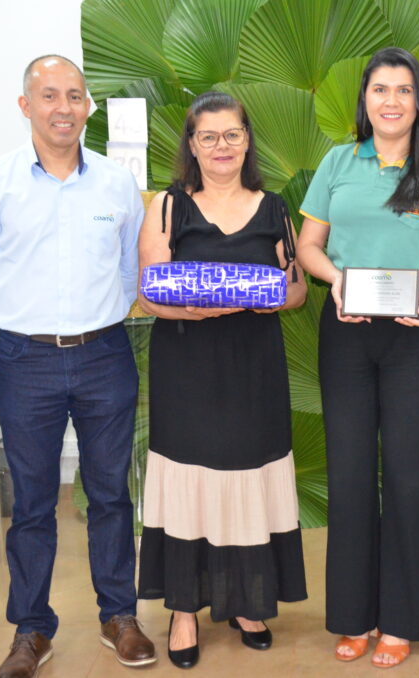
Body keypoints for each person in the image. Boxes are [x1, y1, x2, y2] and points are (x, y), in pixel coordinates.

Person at [0, 55, 155, 677]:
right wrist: (18, 320)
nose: (64, 107)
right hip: (24, 360)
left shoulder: (116, 185)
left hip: (105, 355)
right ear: (25, 106)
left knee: (112, 495)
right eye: (49, 96)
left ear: (87, 106)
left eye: (74, 95)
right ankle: (31, 629)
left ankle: (119, 616)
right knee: (33, 502)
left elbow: (130, 268)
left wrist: (106, 313)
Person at [297, 46, 419, 669]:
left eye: (404, 91)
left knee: (411, 477)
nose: (392, 101)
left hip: (415, 334)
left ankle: (403, 619)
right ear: (365, 101)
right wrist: (336, 281)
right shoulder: (337, 162)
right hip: (345, 329)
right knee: (349, 476)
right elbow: (309, 245)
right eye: (380, 89)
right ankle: (354, 617)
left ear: (418, 103)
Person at [135, 90, 308, 669]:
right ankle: (184, 612)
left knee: (247, 478)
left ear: (247, 139)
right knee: (191, 482)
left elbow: (299, 287)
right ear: (191, 145)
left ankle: (245, 604)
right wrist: (191, 308)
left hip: (254, 366)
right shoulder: (167, 206)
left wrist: (276, 299)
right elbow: (149, 290)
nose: (221, 146)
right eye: (208, 136)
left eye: (231, 134)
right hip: (187, 365)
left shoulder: (276, 206)